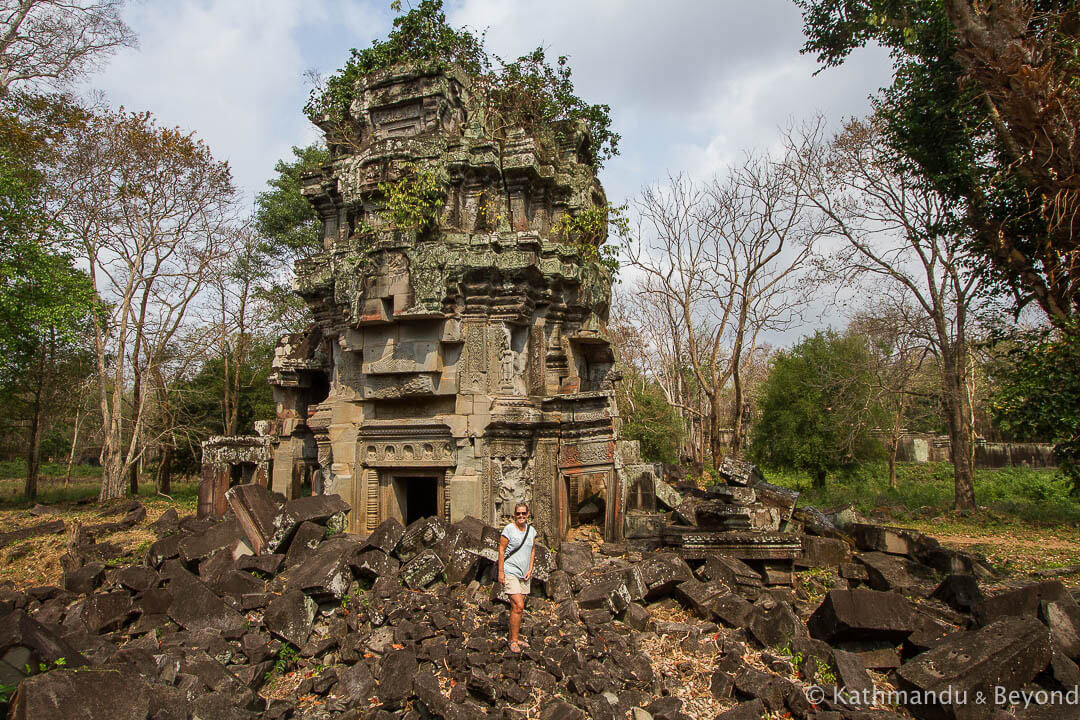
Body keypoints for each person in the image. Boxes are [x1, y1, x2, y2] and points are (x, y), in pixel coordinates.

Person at [498, 501, 535, 653]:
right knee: (519, 605)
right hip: (510, 571)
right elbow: (501, 550)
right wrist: (501, 572)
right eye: (518, 513)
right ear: (514, 515)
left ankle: (515, 636)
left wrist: (531, 568)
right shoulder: (508, 529)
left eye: (523, 513)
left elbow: (532, 549)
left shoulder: (531, 530)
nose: (521, 516)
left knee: (516, 608)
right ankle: (513, 641)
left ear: (528, 515)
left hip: (524, 573)